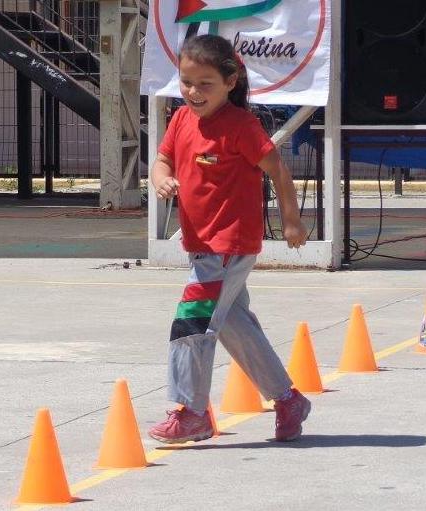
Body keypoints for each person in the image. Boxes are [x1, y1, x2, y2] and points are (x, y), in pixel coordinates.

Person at [148, 34, 311, 444]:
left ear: (230, 81)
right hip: (201, 246)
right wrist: (162, 178)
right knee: (233, 325)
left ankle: (191, 412)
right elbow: (163, 159)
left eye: (205, 84)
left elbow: (279, 171)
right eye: (186, 82)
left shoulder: (241, 126)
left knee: (192, 322)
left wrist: (291, 221)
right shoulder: (182, 119)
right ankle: (288, 399)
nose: (193, 92)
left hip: (228, 247)